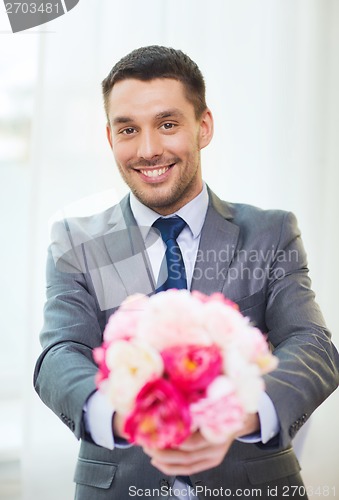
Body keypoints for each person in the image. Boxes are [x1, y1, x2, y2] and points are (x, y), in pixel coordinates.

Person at [34, 46, 339, 500]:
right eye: (128, 130)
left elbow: (312, 345)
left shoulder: (271, 232)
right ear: (110, 136)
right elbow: (60, 353)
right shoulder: (74, 242)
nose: (149, 149)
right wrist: (130, 416)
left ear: (204, 126)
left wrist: (242, 412)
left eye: (168, 124)